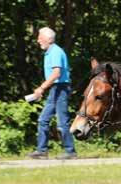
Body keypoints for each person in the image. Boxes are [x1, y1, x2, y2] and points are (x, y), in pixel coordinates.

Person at [27, 27, 77, 160]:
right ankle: (42, 150)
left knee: (62, 122)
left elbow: (56, 73)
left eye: (40, 38)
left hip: (60, 89)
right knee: (43, 119)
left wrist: (41, 88)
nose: (38, 40)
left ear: (49, 39)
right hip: (55, 88)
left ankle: (70, 151)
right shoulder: (49, 52)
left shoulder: (55, 51)